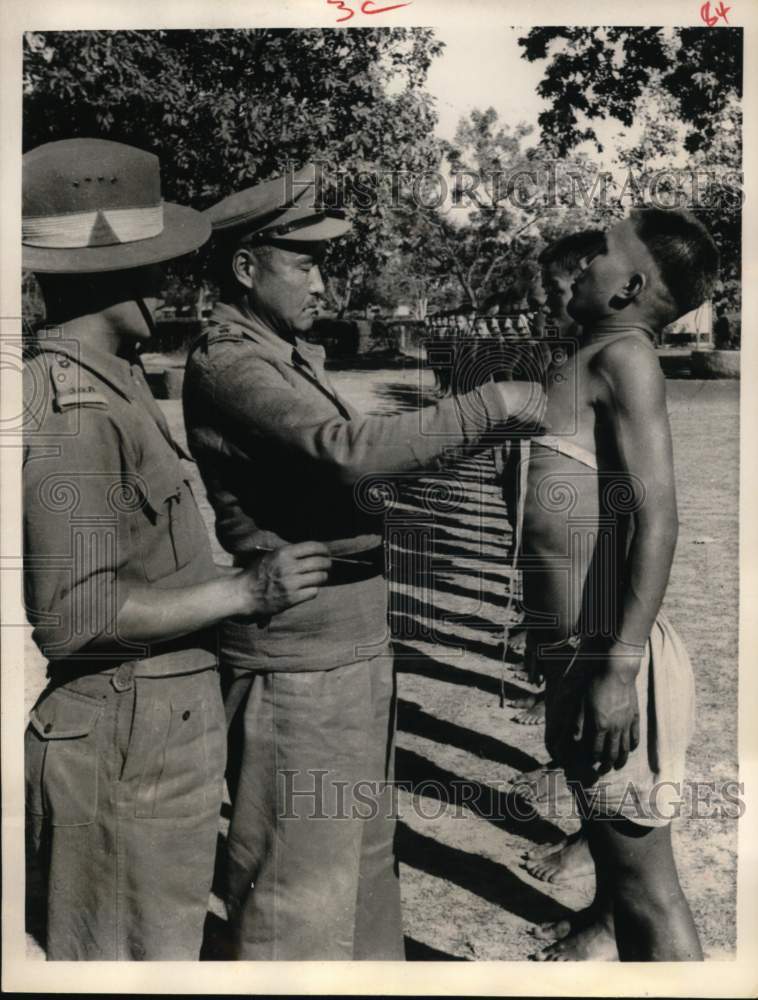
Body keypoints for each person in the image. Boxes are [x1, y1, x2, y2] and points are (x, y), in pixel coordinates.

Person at [182, 163, 545, 961]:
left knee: (365, 869)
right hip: (301, 660)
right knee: (293, 898)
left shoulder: (283, 352)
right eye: (304, 263)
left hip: (351, 643)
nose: (324, 284)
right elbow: (347, 453)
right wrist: (493, 403)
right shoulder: (231, 363)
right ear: (246, 268)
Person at [22, 139, 331, 961]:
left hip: (151, 738)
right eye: (155, 264)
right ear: (108, 277)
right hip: (123, 746)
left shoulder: (117, 378)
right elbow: (72, 615)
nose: (170, 281)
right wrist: (242, 592)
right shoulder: (78, 409)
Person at [521, 208, 715, 961]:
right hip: (578, 654)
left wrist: (619, 667)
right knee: (622, 873)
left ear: (631, 283)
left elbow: (657, 520)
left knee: (650, 897)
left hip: (608, 659)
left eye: (599, 253)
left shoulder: (625, 359)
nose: (582, 262)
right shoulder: (592, 354)